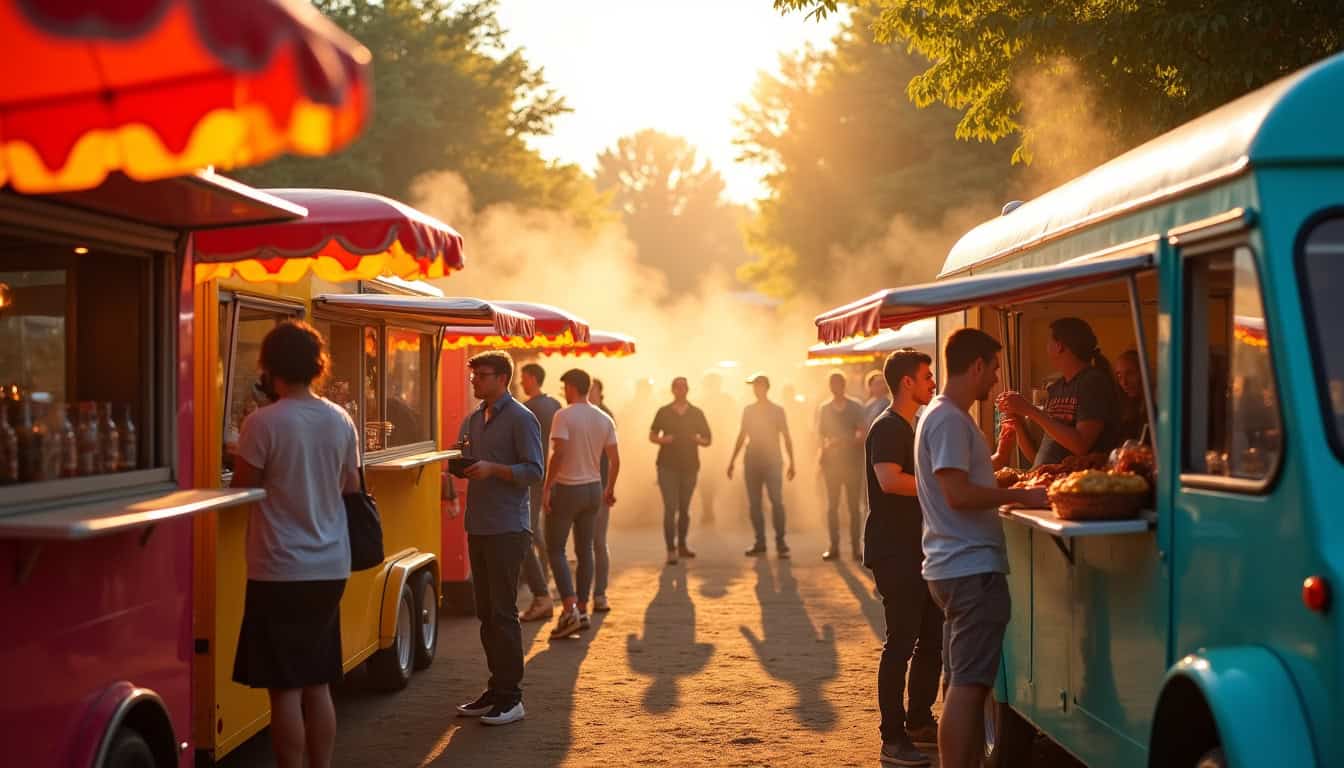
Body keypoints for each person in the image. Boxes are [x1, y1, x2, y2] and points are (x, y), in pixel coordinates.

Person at [914, 329, 1047, 767]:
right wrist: (1024, 497)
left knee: (959, 685)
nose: (994, 378)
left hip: (951, 567)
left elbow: (961, 481)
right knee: (969, 689)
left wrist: (998, 461)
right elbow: (957, 493)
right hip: (969, 569)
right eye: (992, 368)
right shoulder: (950, 418)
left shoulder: (941, 415)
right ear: (975, 366)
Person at [230, 321, 360, 768]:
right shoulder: (340, 419)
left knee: (284, 687)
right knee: (318, 681)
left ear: (270, 366)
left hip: (278, 568)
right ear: (316, 365)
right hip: (330, 566)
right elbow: (352, 484)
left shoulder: (261, 422)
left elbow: (245, 484)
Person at [454, 351, 543, 727]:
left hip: (508, 527)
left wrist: (494, 469)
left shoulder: (522, 418)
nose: (474, 380)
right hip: (480, 524)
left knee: (504, 614)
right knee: (487, 614)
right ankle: (496, 687)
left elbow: (535, 470)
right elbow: (465, 455)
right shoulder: (475, 418)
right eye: (472, 374)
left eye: (482, 375)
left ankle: (512, 697)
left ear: (503, 378)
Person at [865, 350, 941, 766]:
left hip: (921, 548)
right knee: (901, 644)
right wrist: (940, 486)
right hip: (895, 552)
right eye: (927, 376)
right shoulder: (889, 427)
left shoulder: (914, 424)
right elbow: (890, 481)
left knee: (932, 638)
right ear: (907, 383)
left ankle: (918, 721)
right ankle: (892, 738)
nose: (933, 382)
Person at [543, 369, 620, 638]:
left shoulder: (564, 415)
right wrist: (609, 488)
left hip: (568, 488)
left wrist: (547, 487)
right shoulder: (604, 417)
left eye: (564, 386)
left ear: (572, 387)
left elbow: (559, 453)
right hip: (593, 489)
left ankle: (569, 608)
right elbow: (614, 459)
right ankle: (584, 608)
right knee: (585, 548)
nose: (563, 391)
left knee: (555, 549)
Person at [998, 317, 1121, 467]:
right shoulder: (1056, 388)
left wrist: (1031, 410)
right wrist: (1018, 423)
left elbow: (1081, 445)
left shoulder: (1092, 382)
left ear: (1060, 346)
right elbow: (1038, 458)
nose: (1046, 348)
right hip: (1045, 481)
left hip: (1073, 486)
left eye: (1048, 341)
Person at [728, 373, 797, 558]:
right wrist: (732, 461)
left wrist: (792, 462)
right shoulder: (748, 410)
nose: (755, 389)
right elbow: (742, 435)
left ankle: (780, 542)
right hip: (752, 460)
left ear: (765, 387)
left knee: (776, 501)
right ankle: (760, 542)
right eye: (754, 386)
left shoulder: (777, 410)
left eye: (758, 385)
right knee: (755, 503)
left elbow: (786, 436)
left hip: (772, 460)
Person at [649, 377, 712, 565]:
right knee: (670, 508)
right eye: (676, 387)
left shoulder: (696, 413)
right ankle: (671, 549)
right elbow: (652, 435)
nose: (680, 390)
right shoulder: (663, 412)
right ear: (672, 390)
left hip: (689, 466)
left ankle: (682, 545)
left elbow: (708, 439)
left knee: (684, 508)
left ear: (687, 389)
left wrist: (697, 439)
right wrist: (663, 440)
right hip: (666, 466)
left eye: (683, 387)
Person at [519, 362, 562, 622]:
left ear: (533, 379)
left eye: (524, 378)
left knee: (527, 531)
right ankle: (548, 576)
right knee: (538, 531)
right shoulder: (555, 405)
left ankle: (542, 589)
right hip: (551, 475)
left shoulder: (526, 409)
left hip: (531, 477)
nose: (522, 383)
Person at [818, 371, 866, 561]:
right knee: (832, 506)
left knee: (854, 507)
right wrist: (822, 454)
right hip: (832, 464)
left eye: (838, 384)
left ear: (843, 385)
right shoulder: (824, 408)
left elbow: (862, 432)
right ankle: (834, 546)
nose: (835, 387)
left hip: (852, 462)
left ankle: (856, 548)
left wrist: (844, 441)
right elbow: (821, 436)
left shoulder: (855, 407)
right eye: (832, 384)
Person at [589, 378, 615, 612]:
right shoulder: (575, 413)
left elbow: (614, 458)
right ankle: (581, 597)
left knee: (597, 541)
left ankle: (600, 593)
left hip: (599, 486)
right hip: (578, 486)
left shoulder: (605, 416)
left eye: (592, 390)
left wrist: (610, 488)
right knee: (583, 544)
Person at [1113, 349, 1149, 442]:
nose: (1124, 382)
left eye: (1130, 373)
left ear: (1143, 371)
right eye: (1119, 376)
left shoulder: (1156, 407)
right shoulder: (1124, 406)